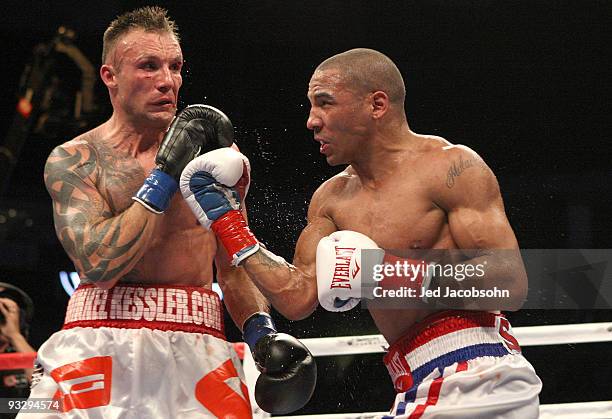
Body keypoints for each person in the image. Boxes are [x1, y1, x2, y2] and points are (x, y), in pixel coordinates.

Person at [180, 48, 543, 418]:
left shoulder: (450, 167)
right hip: (415, 379)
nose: (311, 121)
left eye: (325, 103)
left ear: (377, 104)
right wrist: (229, 222)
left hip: (480, 373)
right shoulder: (331, 200)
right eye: (310, 106)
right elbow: (296, 297)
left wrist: (382, 273)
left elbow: (511, 281)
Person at [22, 7, 314, 418]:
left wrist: (260, 334)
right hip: (96, 341)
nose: (168, 81)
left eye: (175, 67)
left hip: (196, 342)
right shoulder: (76, 160)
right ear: (110, 76)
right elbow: (99, 264)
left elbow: (232, 268)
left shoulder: (217, 157)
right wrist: (166, 173)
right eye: (149, 66)